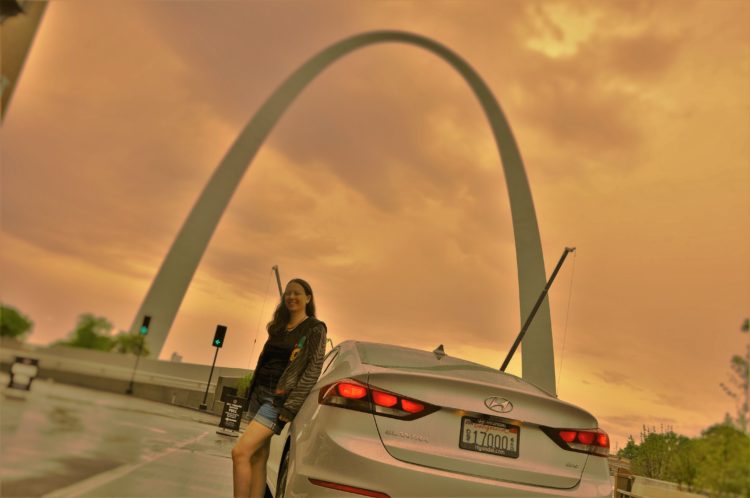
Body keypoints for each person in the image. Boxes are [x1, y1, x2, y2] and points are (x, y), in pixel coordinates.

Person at [232, 278, 327, 498]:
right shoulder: (279, 328)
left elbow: (312, 370)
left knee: (240, 452)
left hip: (276, 400)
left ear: (308, 298)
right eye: (288, 294)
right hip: (258, 394)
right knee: (258, 456)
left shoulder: (314, 328)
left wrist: (290, 407)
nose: (291, 297)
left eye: (297, 293)